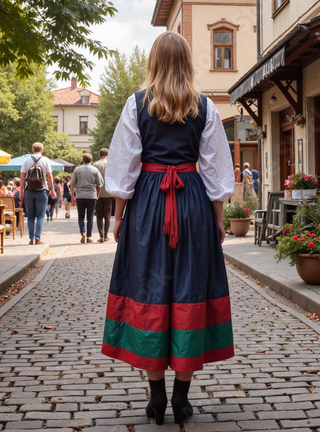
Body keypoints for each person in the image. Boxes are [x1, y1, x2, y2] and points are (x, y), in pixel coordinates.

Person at [101, 31, 235, 425]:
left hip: (147, 205)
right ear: (188, 62)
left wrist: (119, 217)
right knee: (190, 289)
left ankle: (156, 395)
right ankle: (182, 397)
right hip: (192, 204)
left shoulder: (136, 104)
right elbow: (215, 168)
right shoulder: (205, 107)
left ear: (154, 62)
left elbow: (125, 165)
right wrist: (218, 218)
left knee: (150, 287)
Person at [19, 142, 54, 245]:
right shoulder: (45, 160)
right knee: (40, 216)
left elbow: (22, 176)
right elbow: (49, 176)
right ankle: (37, 239)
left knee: (30, 215)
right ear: (42, 150)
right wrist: (52, 190)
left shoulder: (26, 160)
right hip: (42, 191)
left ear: (32, 149)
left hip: (29, 191)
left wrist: (21, 191)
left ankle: (30, 239)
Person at [71, 152, 103, 243]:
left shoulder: (77, 170)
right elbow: (100, 184)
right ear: (91, 160)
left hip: (80, 195)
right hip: (92, 195)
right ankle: (89, 236)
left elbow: (72, 183)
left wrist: (72, 194)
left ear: (82, 160)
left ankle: (83, 232)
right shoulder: (95, 170)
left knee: (80, 216)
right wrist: (97, 194)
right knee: (90, 217)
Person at [93, 148, 114, 243]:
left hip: (98, 193)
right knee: (107, 216)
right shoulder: (110, 164)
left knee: (99, 216)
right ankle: (106, 235)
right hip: (109, 193)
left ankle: (101, 235)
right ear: (107, 155)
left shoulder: (95, 165)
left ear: (99, 154)